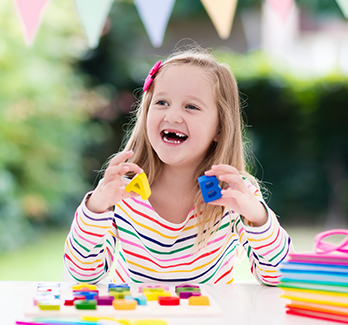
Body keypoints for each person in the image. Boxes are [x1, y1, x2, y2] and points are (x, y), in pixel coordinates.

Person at [64, 47, 293, 285]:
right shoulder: (123, 191)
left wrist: (256, 216)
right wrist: (95, 208)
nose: (172, 116)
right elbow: (83, 273)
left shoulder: (233, 193)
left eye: (191, 107)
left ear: (219, 128)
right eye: (161, 102)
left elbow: (281, 276)